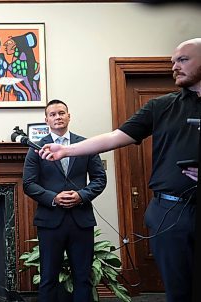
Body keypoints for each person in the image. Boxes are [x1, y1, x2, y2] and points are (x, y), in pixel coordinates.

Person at [38, 38, 201, 302]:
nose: (174, 67)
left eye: (183, 60)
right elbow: (115, 137)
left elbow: (98, 178)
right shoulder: (161, 106)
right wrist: (67, 150)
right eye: (172, 61)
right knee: (179, 293)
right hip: (171, 214)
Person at [23, 99, 107, 301]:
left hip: (81, 220)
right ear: (46, 120)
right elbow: (28, 183)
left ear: (69, 116)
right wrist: (54, 198)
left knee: (83, 277)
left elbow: (99, 179)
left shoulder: (85, 144)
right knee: (48, 278)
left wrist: (81, 196)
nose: (58, 117)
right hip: (50, 221)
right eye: (53, 114)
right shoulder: (37, 148)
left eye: (61, 113)